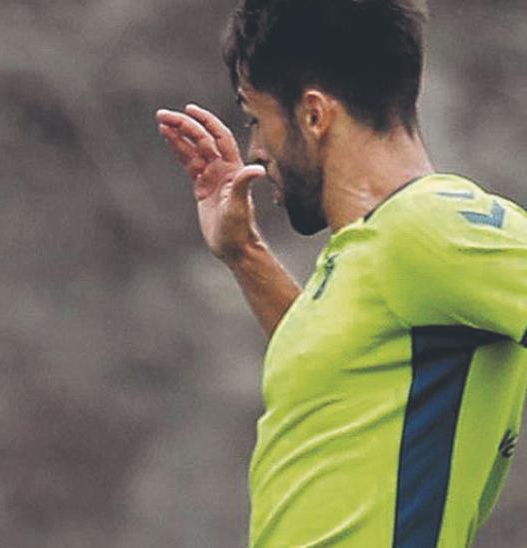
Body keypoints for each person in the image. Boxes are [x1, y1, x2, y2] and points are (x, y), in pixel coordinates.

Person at [157, 0, 527, 546]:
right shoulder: (374, 252)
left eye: (258, 120)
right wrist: (245, 254)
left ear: (314, 114)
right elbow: (338, 383)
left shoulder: (432, 226)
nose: (256, 149)